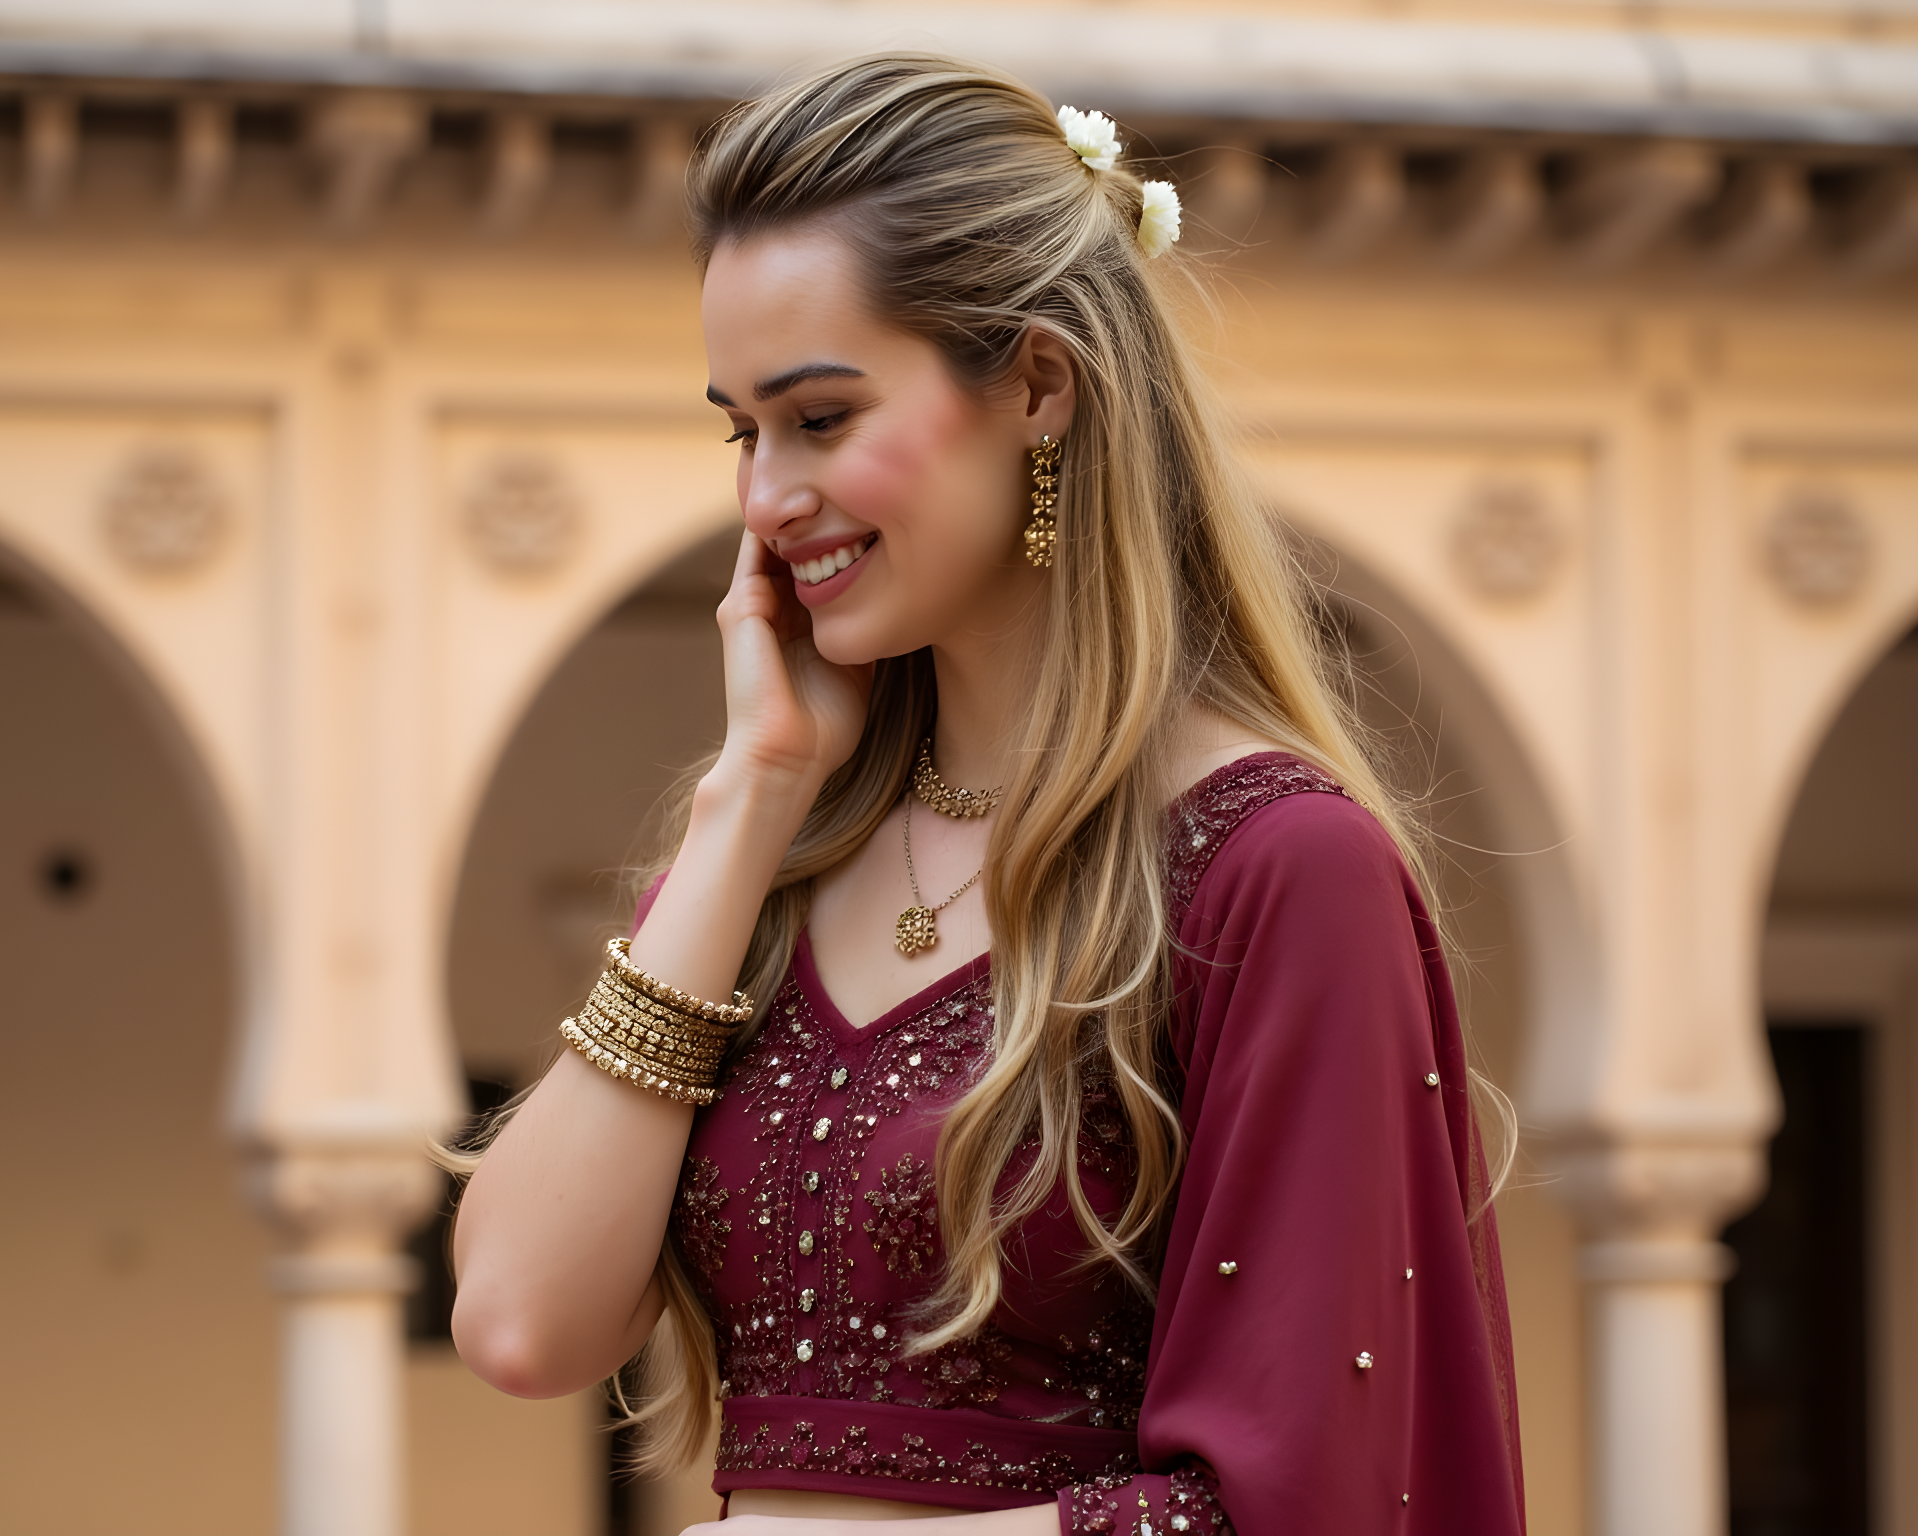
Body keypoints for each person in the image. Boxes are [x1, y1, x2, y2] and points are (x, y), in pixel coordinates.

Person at [450, 52, 1526, 1536]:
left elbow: (1287, 1503)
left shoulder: (1275, 870)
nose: (764, 498)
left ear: (1034, 386)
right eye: (739, 432)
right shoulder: (777, 859)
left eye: (820, 419)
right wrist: (749, 797)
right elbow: (520, 1324)